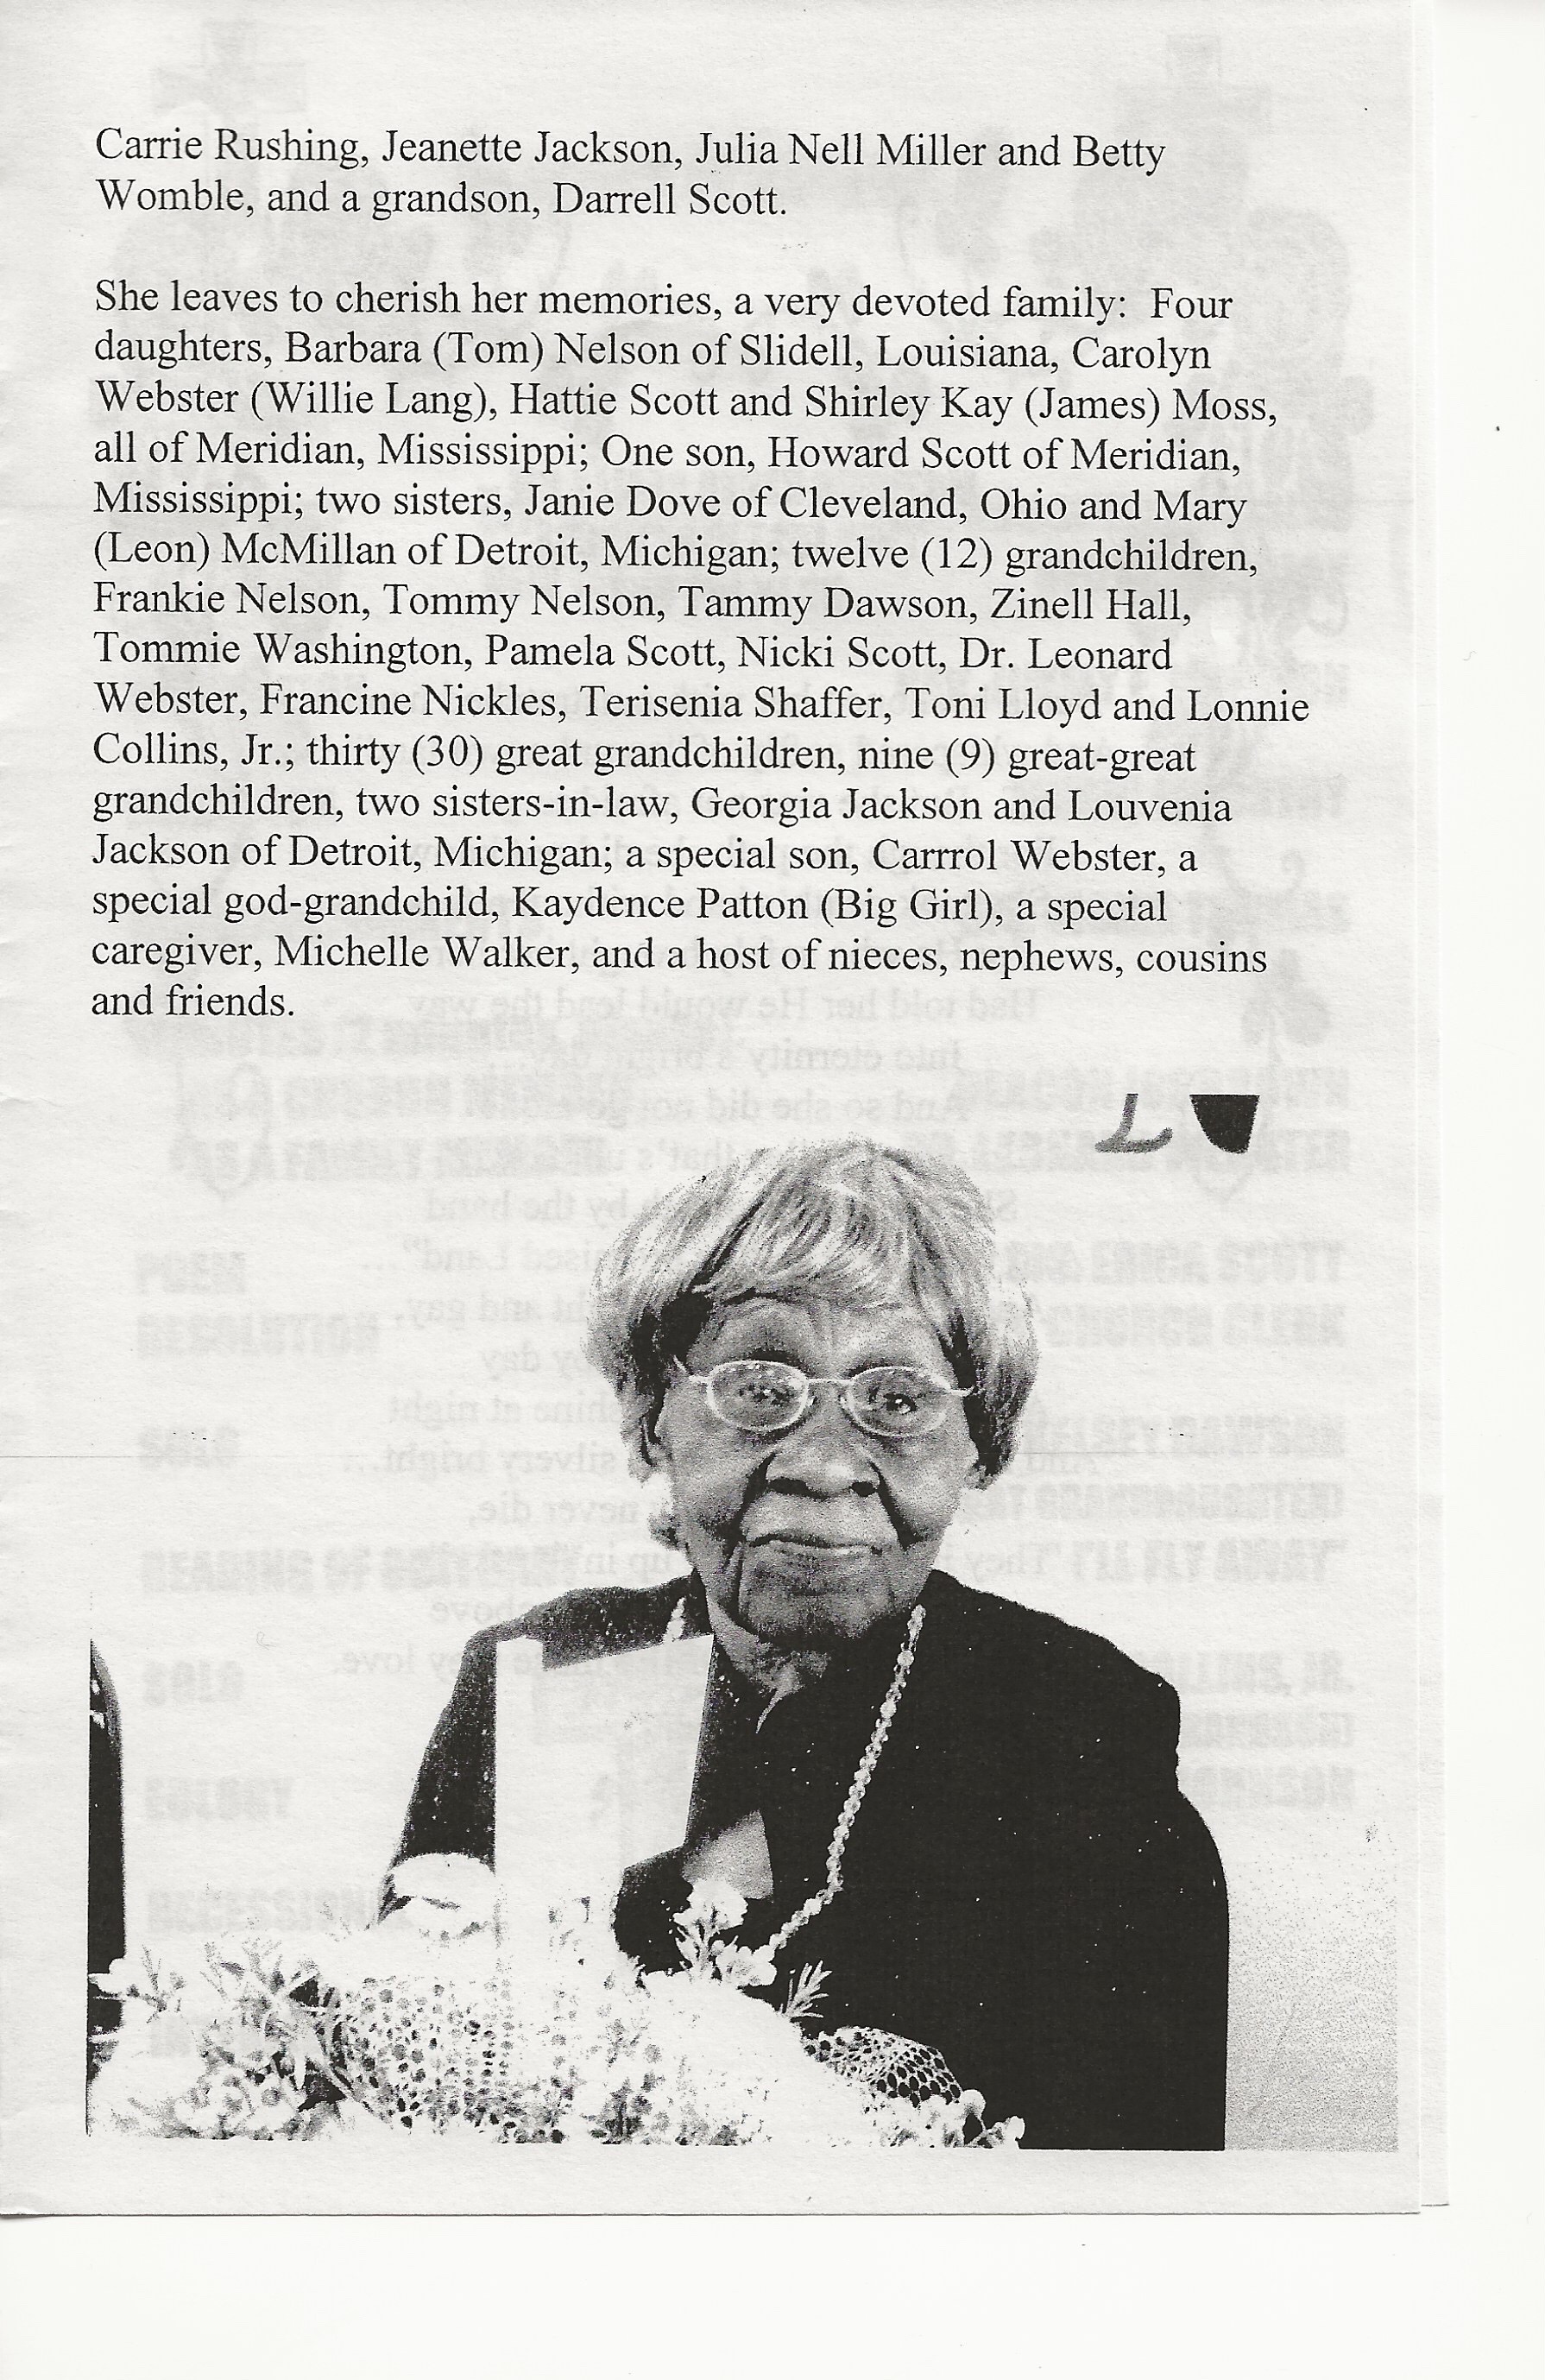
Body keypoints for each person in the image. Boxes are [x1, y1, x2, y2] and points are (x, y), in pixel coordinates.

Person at [392, 1139, 1228, 2146]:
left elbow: (1129, 2197)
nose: (825, 1465)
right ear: (652, 1418)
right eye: (758, 1387)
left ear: (978, 1444)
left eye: (897, 1400)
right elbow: (405, 2101)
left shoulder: (1070, 1734)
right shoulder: (551, 1671)